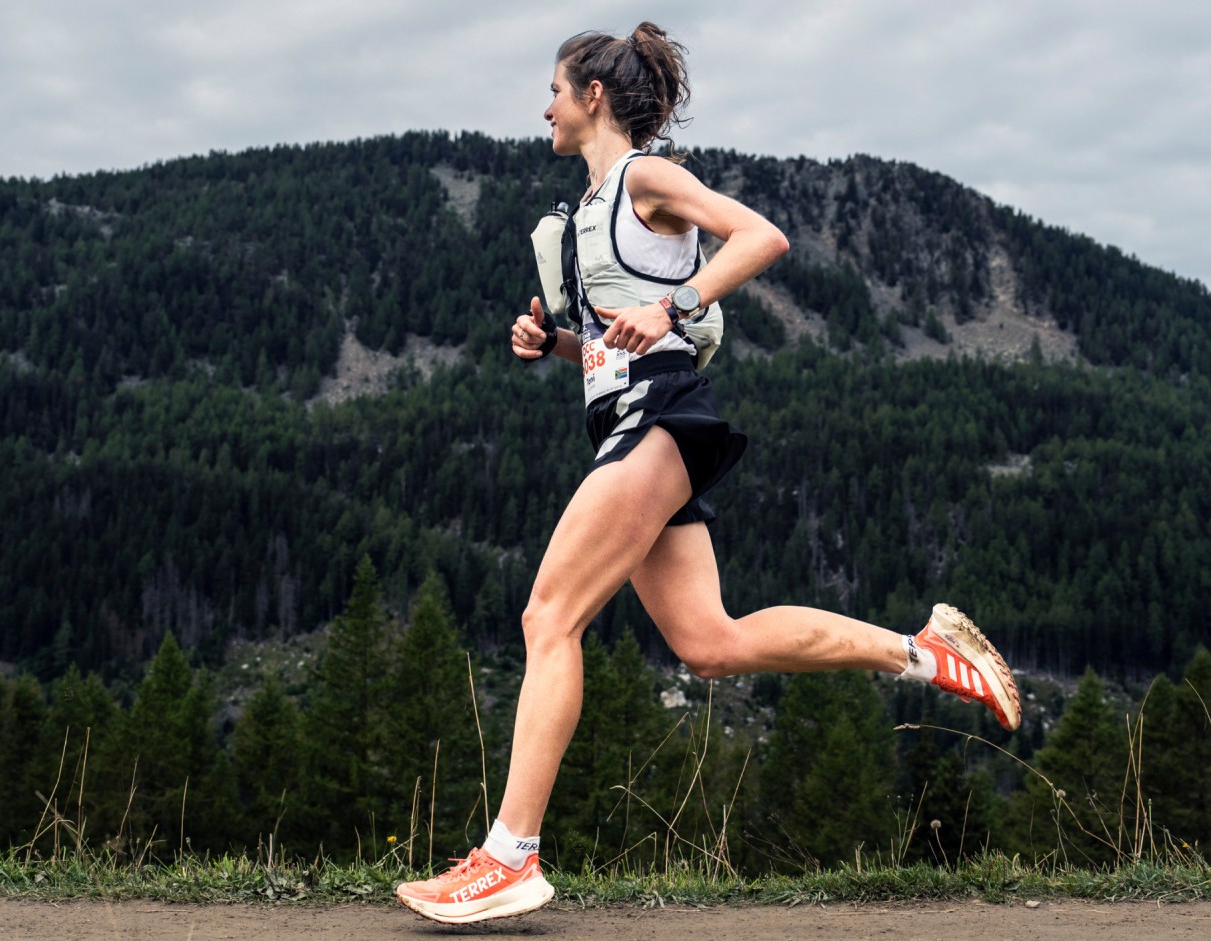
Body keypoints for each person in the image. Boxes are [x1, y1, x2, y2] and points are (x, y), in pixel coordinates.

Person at [396, 22, 1021, 925]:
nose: (546, 108)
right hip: (632, 418)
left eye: (556, 92)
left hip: (657, 421)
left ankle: (510, 855)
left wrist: (676, 300)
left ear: (594, 97)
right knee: (711, 644)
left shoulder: (647, 177)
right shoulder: (584, 216)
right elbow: (616, 340)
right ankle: (929, 653)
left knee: (548, 616)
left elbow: (762, 237)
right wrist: (558, 344)